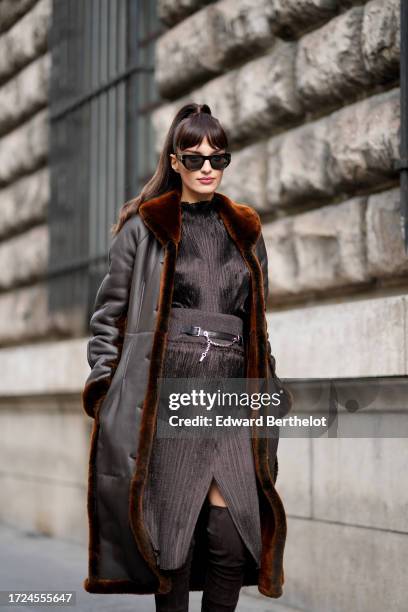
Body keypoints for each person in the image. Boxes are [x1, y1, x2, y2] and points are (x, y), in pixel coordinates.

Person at [82, 102, 291, 611]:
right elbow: (110, 316)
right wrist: (106, 387)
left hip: (230, 397)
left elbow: (256, 326)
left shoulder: (246, 231)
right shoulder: (144, 226)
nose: (206, 167)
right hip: (169, 391)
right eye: (194, 156)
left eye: (217, 158)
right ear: (173, 161)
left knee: (233, 538)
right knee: (172, 538)